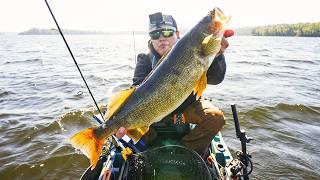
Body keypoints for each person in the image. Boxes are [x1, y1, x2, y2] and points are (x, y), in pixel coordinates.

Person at [116, 12, 229, 156]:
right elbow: (136, 89)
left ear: (177, 34)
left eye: (167, 32)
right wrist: (120, 121)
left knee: (215, 118)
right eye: (155, 34)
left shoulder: (195, 50)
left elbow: (216, 78)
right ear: (150, 38)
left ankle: (186, 153)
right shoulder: (144, 59)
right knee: (138, 136)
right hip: (155, 112)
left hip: (187, 108)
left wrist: (218, 55)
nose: (162, 38)